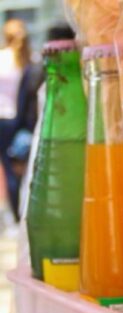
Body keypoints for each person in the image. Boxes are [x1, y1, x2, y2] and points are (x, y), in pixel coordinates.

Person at [0, 19, 32, 220]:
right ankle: (25, 211)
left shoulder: (2, 58)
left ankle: (16, 215)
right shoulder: (28, 60)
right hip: (21, 121)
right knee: (25, 168)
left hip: (2, 119)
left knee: (8, 168)